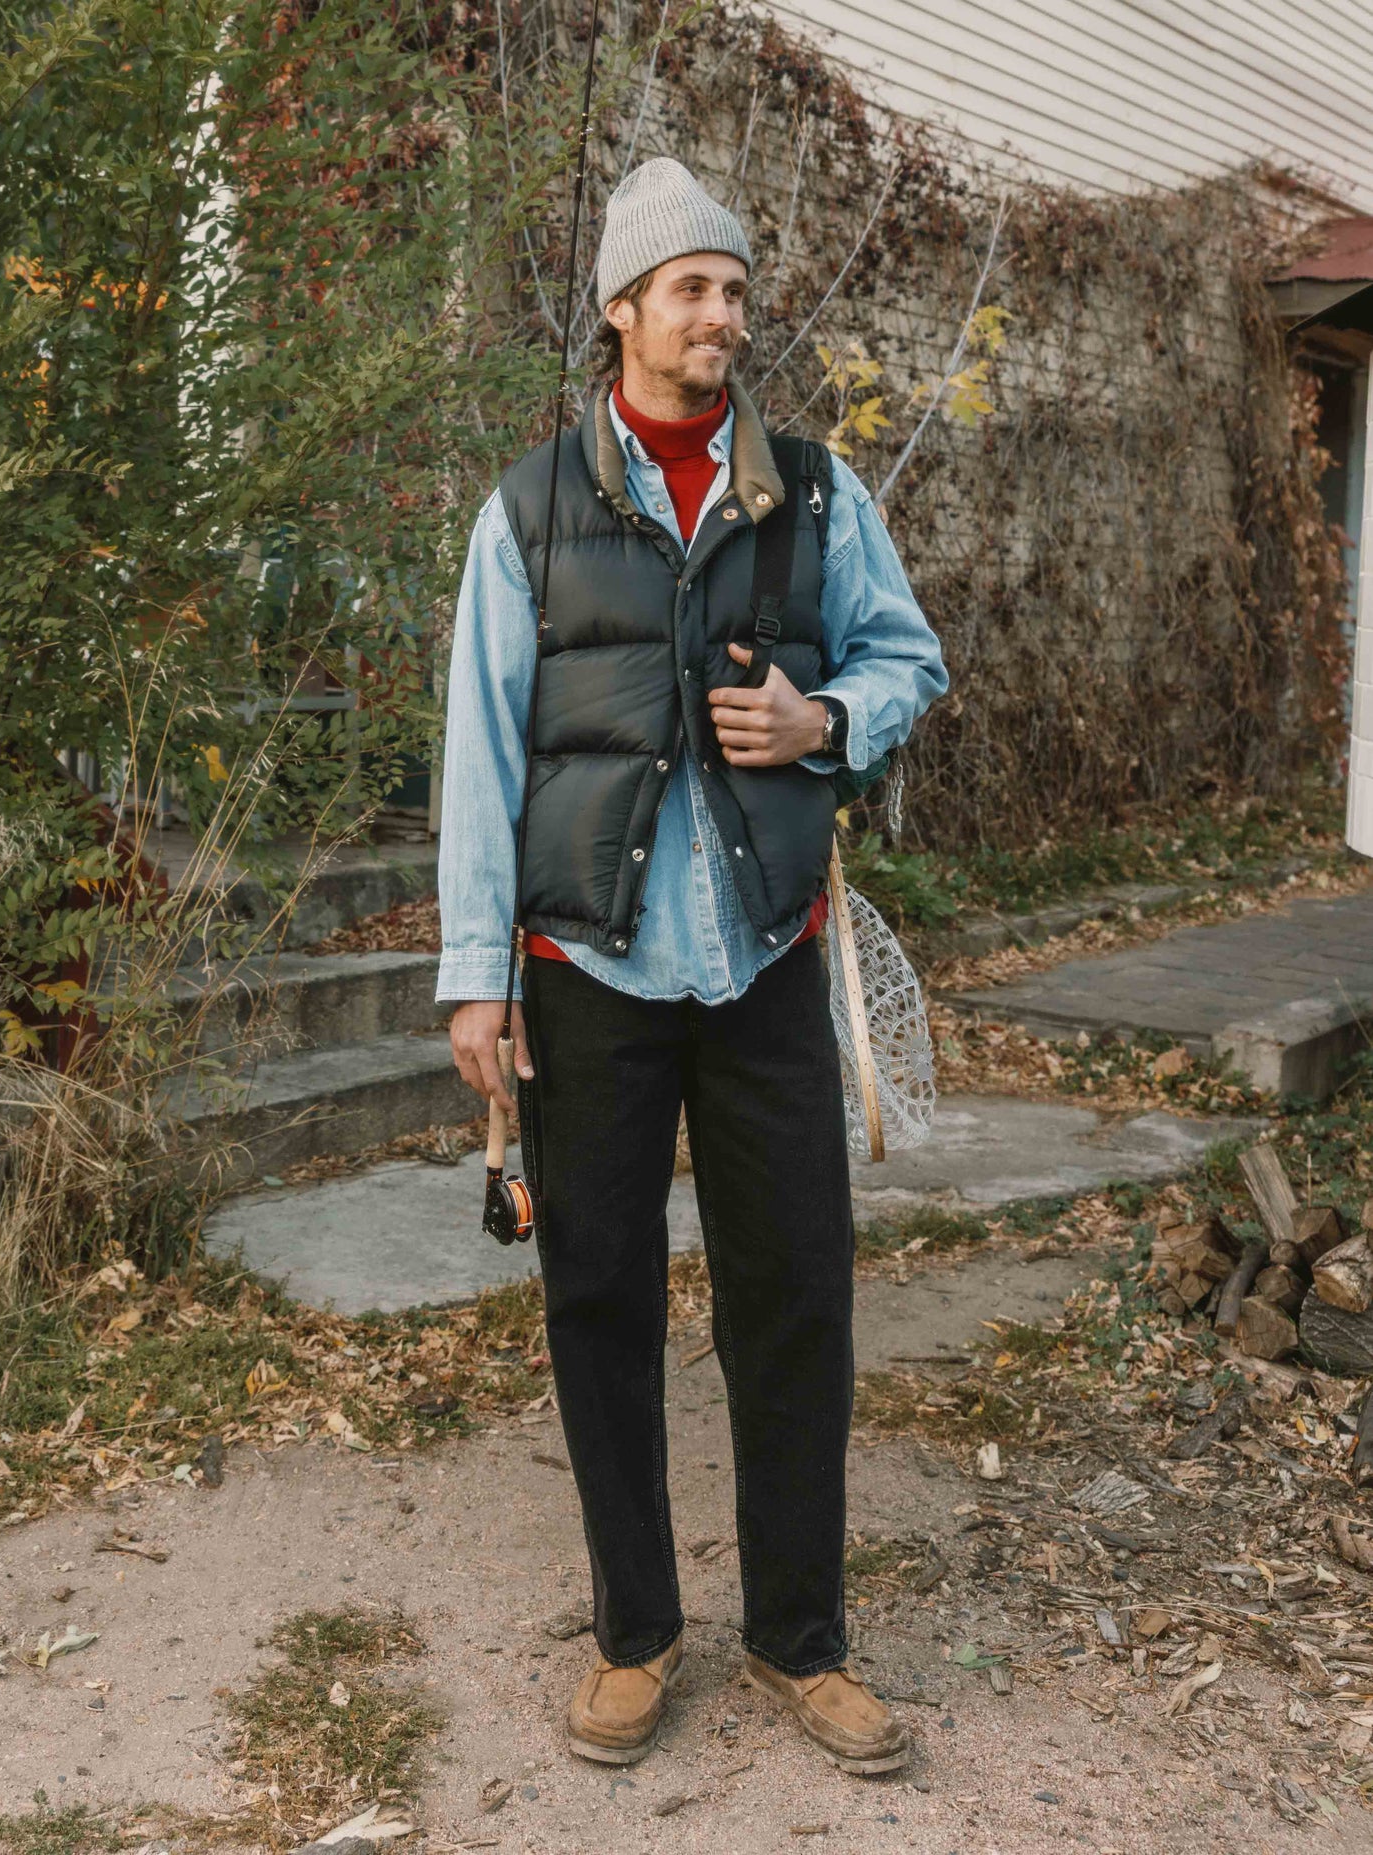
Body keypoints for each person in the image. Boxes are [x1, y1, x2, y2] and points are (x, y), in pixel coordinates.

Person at [436, 156, 947, 1775]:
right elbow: (476, 759)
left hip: (764, 961)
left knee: (794, 1299)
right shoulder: (526, 512)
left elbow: (908, 654)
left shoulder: (812, 491)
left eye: (736, 287)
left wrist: (828, 723)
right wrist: (474, 977)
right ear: (622, 311)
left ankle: (802, 1642)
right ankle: (634, 1636)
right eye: (692, 288)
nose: (724, 313)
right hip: (586, 969)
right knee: (598, 1300)